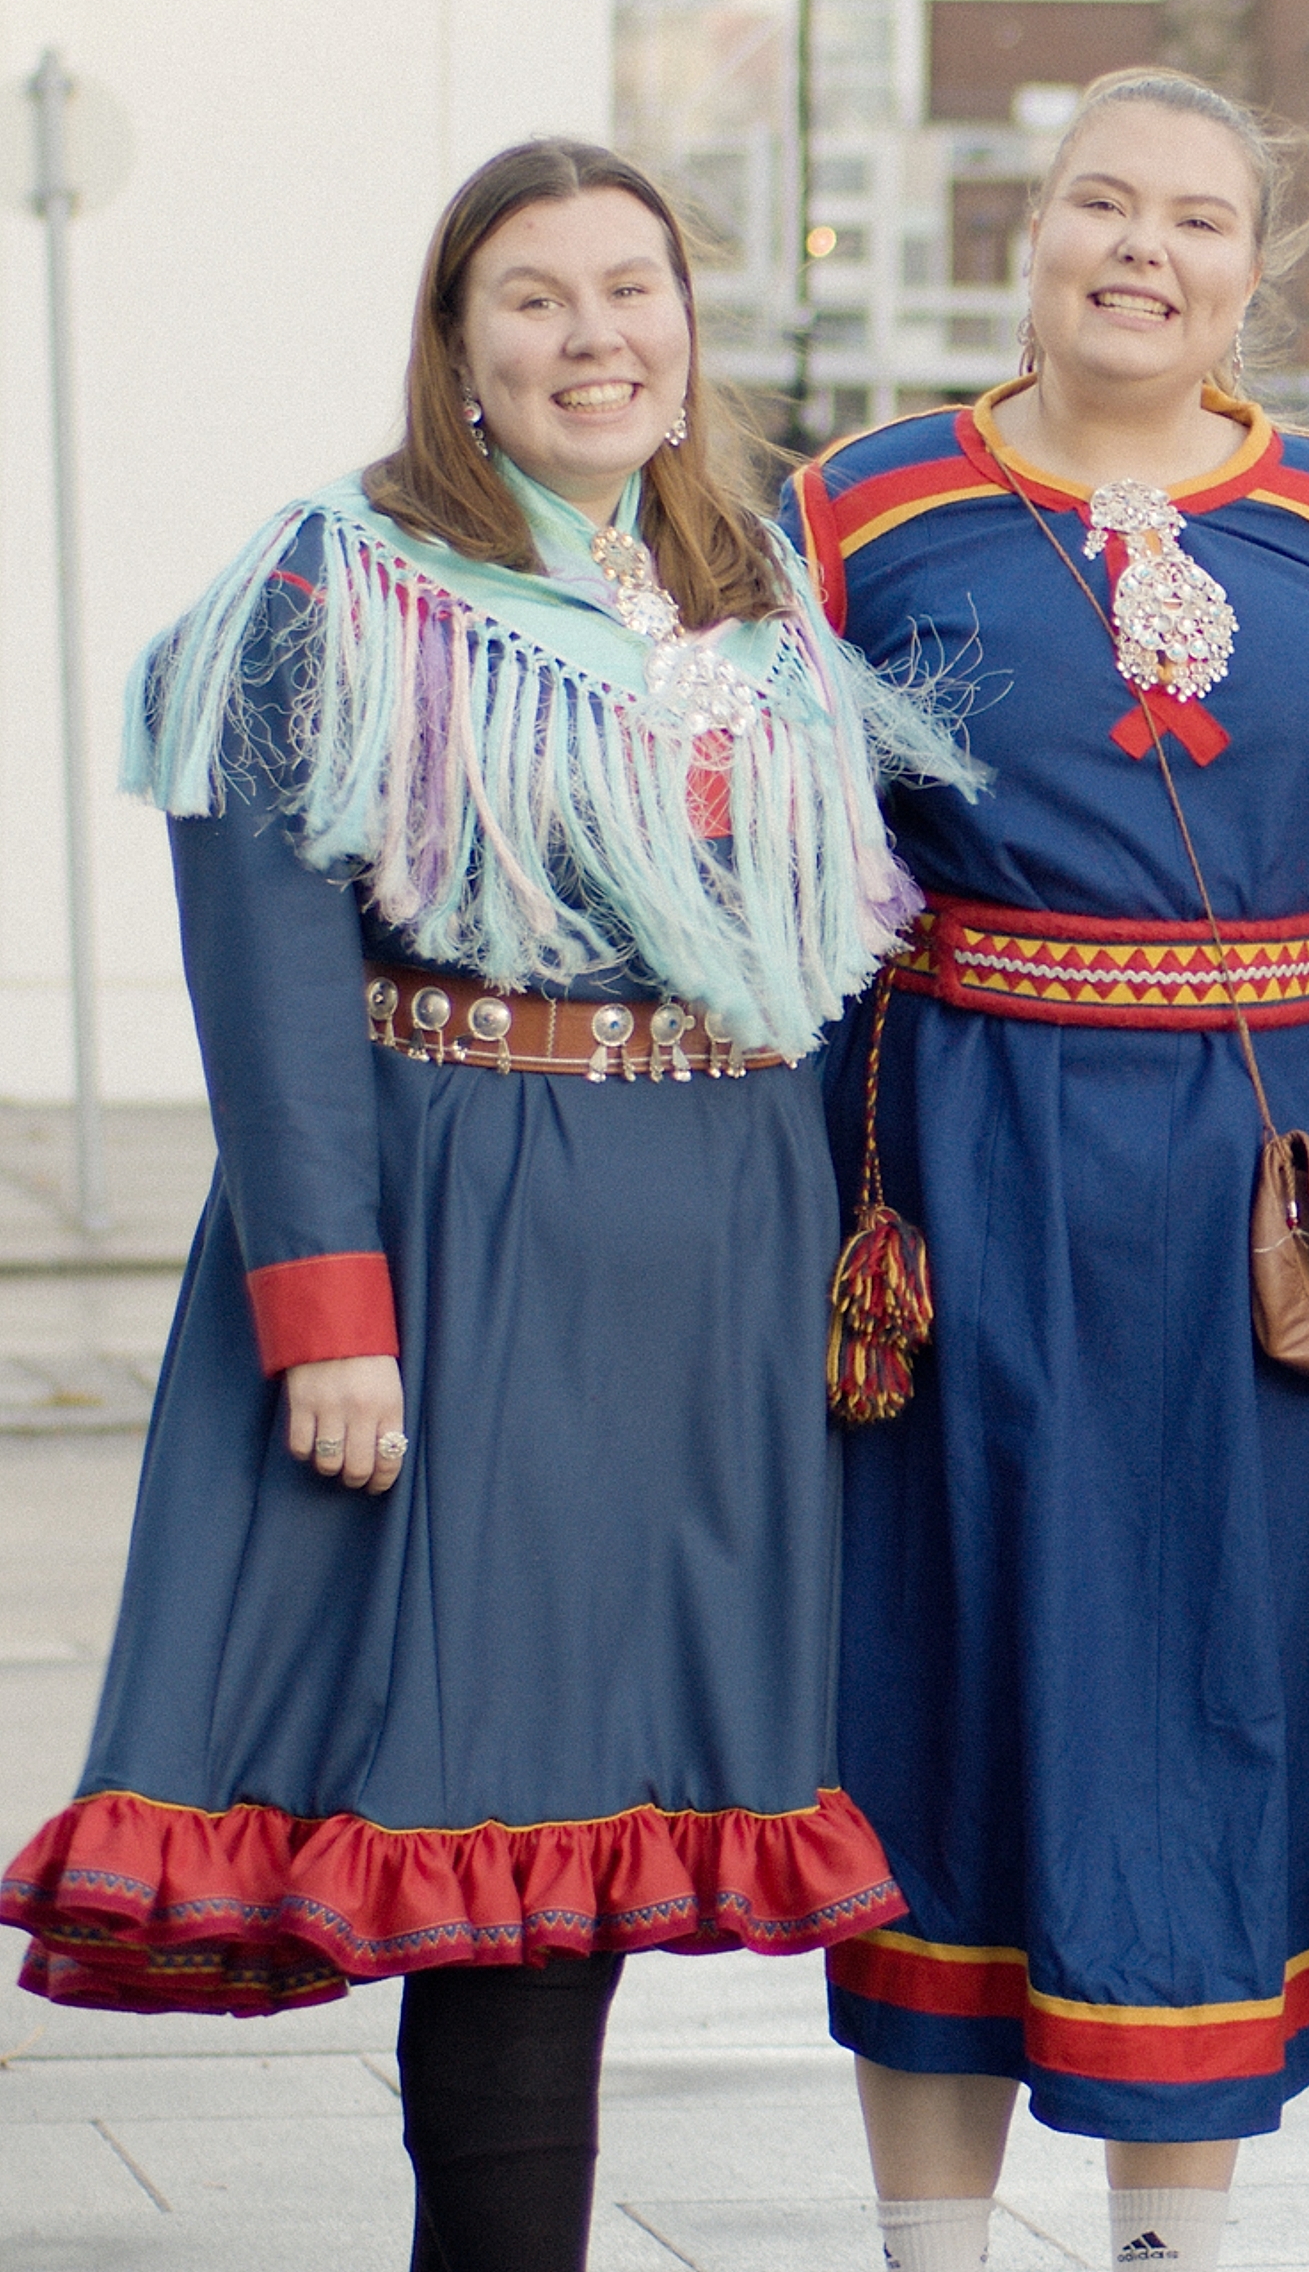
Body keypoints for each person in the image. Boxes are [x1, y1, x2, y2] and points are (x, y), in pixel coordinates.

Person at [0, 138, 961, 2271]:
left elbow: (819, 952)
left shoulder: (750, 594)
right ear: (457, 344)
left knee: (595, 1826)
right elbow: (264, 970)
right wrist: (324, 1301)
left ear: (690, 323)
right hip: (468, 1239)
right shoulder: (335, 585)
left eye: (633, 289)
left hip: (715, 1254)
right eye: (534, 297)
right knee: (486, 1806)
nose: (594, 335)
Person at [786, 68, 1309, 2272]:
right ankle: (932, 2244)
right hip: (962, 1164)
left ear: (1255, 267)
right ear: (1030, 222)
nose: (1143, 245)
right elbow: (774, 848)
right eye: (1102, 199)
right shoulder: (856, 509)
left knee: (1217, 1662)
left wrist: (1257, 1009)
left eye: (1197, 218)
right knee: (957, 1665)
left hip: (1261, 1186)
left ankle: (1167, 2238)